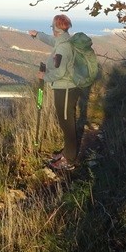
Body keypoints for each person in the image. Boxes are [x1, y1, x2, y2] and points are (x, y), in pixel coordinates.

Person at [29, 14, 83, 170]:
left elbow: (59, 73)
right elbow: (51, 40)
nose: (52, 29)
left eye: (52, 27)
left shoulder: (63, 48)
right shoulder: (64, 39)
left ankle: (70, 160)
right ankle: (67, 152)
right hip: (64, 87)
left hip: (65, 89)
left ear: (57, 29)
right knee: (65, 121)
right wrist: (37, 35)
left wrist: (44, 76)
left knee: (67, 124)